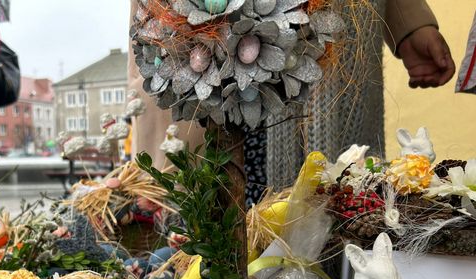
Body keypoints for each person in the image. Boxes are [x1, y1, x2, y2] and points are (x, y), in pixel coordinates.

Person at [128, 0, 455, 203]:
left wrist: (407, 21)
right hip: (206, 59)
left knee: (334, 224)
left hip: (329, 74)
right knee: (210, 250)